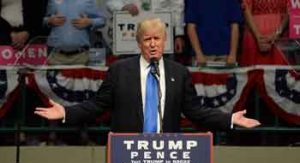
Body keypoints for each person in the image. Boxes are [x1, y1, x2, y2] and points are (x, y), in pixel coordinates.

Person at [34, 17, 260, 133]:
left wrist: (229, 118)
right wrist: (66, 113)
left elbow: (195, 112)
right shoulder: (120, 71)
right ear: (139, 43)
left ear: (164, 41)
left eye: (157, 39)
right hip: (127, 156)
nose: (153, 44)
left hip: (165, 159)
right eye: (147, 39)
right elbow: (96, 106)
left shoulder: (179, 73)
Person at [106, 0, 185, 54]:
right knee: (130, 74)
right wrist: (122, 7)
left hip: (162, 35)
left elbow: (177, 7)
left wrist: (178, 34)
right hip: (130, 39)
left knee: (163, 73)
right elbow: (111, 2)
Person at [44, 0, 106, 65]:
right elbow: (41, 20)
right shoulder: (52, 1)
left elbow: (103, 20)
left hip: (82, 57)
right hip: (56, 57)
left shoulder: (88, 1)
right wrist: (49, 20)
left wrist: (89, 21)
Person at [185, 0, 243, 66]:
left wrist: (233, 54)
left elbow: (235, 27)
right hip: (202, 56)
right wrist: (198, 53)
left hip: (225, 55)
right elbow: (191, 27)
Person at [238, 0, 290, 66]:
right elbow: (246, 8)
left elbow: (292, 9)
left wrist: (277, 33)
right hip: (253, 33)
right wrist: (258, 36)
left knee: (279, 70)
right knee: (254, 72)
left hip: (281, 37)